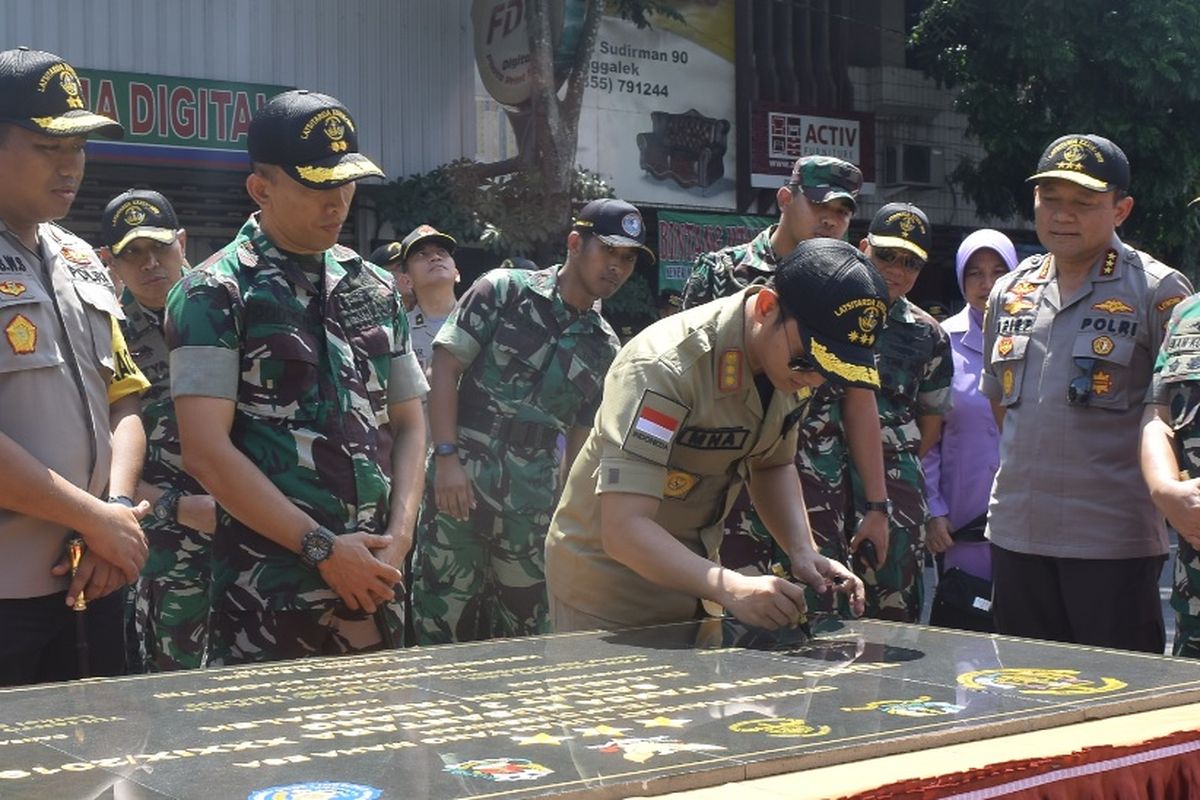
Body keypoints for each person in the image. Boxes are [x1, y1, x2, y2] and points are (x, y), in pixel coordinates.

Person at [165, 89, 428, 665]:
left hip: (381, 578)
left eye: (347, 182)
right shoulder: (213, 293)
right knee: (273, 750)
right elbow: (205, 452)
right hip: (271, 593)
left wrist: (402, 536)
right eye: (317, 185)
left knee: (383, 745)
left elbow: (410, 424)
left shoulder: (375, 287)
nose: (338, 202)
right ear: (262, 189)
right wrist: (324, 550)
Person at [545, 238, 884, 631]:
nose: (813, 379)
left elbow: (773, 463)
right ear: (766, 307)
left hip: (698, 584)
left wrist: (802, 549)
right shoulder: (664, 369)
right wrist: (731, 587)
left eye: (832, 370)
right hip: (607, 593)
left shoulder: (789, 365)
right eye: (809, 361)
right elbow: (623, 529)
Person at [982, 134, 1192, 654]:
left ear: (1121, 209)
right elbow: (1001, 405)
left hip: (1110, 545)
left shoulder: (1158, 291)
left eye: (1083, 203)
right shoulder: (1011, 291)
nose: (1062, 215)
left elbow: (1176, 416)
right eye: (1049, 199)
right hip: (1016, 535)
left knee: (1117, 706)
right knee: (1022, 696)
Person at [410, 198, 643, 644]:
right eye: (608, 251)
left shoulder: (603, 344)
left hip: (532, 510)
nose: (616, 266)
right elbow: (446, 368)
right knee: (441, 625)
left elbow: (581, 439)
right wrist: (445, 458)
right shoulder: (502, 290)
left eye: (627, 259)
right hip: (461, 487)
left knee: (527, 638)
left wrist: (567, 514)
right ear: (575, 243)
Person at [0, 47, 150, 685]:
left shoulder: (80, 255)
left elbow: (124, 398)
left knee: (102, 766)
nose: (71, 166)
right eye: (45, 146)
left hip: (97, 573)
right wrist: (95, 519)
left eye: (79, 148)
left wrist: (114, 512)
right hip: (9, 593)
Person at [681, 155, 891, 600]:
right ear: (784, 199)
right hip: (727, 486)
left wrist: (876, 504)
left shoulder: (852, 285)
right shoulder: (723, 274)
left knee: (816, 623)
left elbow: (859, 398)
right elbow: (686, 380)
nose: (830, 221)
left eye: (842, 212)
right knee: (726, 618)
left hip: (814, 489)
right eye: (820, 206)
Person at [99, 189, 217, 671]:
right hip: (167, 550)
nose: (150, 264)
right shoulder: (106, 337)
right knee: (177, 690)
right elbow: (102, 450)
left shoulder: (233, 311)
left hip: (261, 533)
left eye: (159, 248)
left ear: (182, 242)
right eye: (132, 254)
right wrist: (176, 507)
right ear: (110, 262)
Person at [830, 203, 951, 623]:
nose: (897, 271)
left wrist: (891, 464)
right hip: (822, 475)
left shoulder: (927, 334)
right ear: (863, 248)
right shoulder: (823, 313)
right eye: (886, 256)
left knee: (894, 613)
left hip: (895, 488)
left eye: (910, 262)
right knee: (821, 607)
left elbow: (931, 421)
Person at [922, 229, 1017, 632]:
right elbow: (926, 442)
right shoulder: (942, 342)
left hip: (1028, 523)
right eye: (975, 273)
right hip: (963, 528)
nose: (987, 283)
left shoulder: (1042, 337)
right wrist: (934, 510)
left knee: (1032, 649)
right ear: (961, 279)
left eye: (999, 271)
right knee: (969, 649)